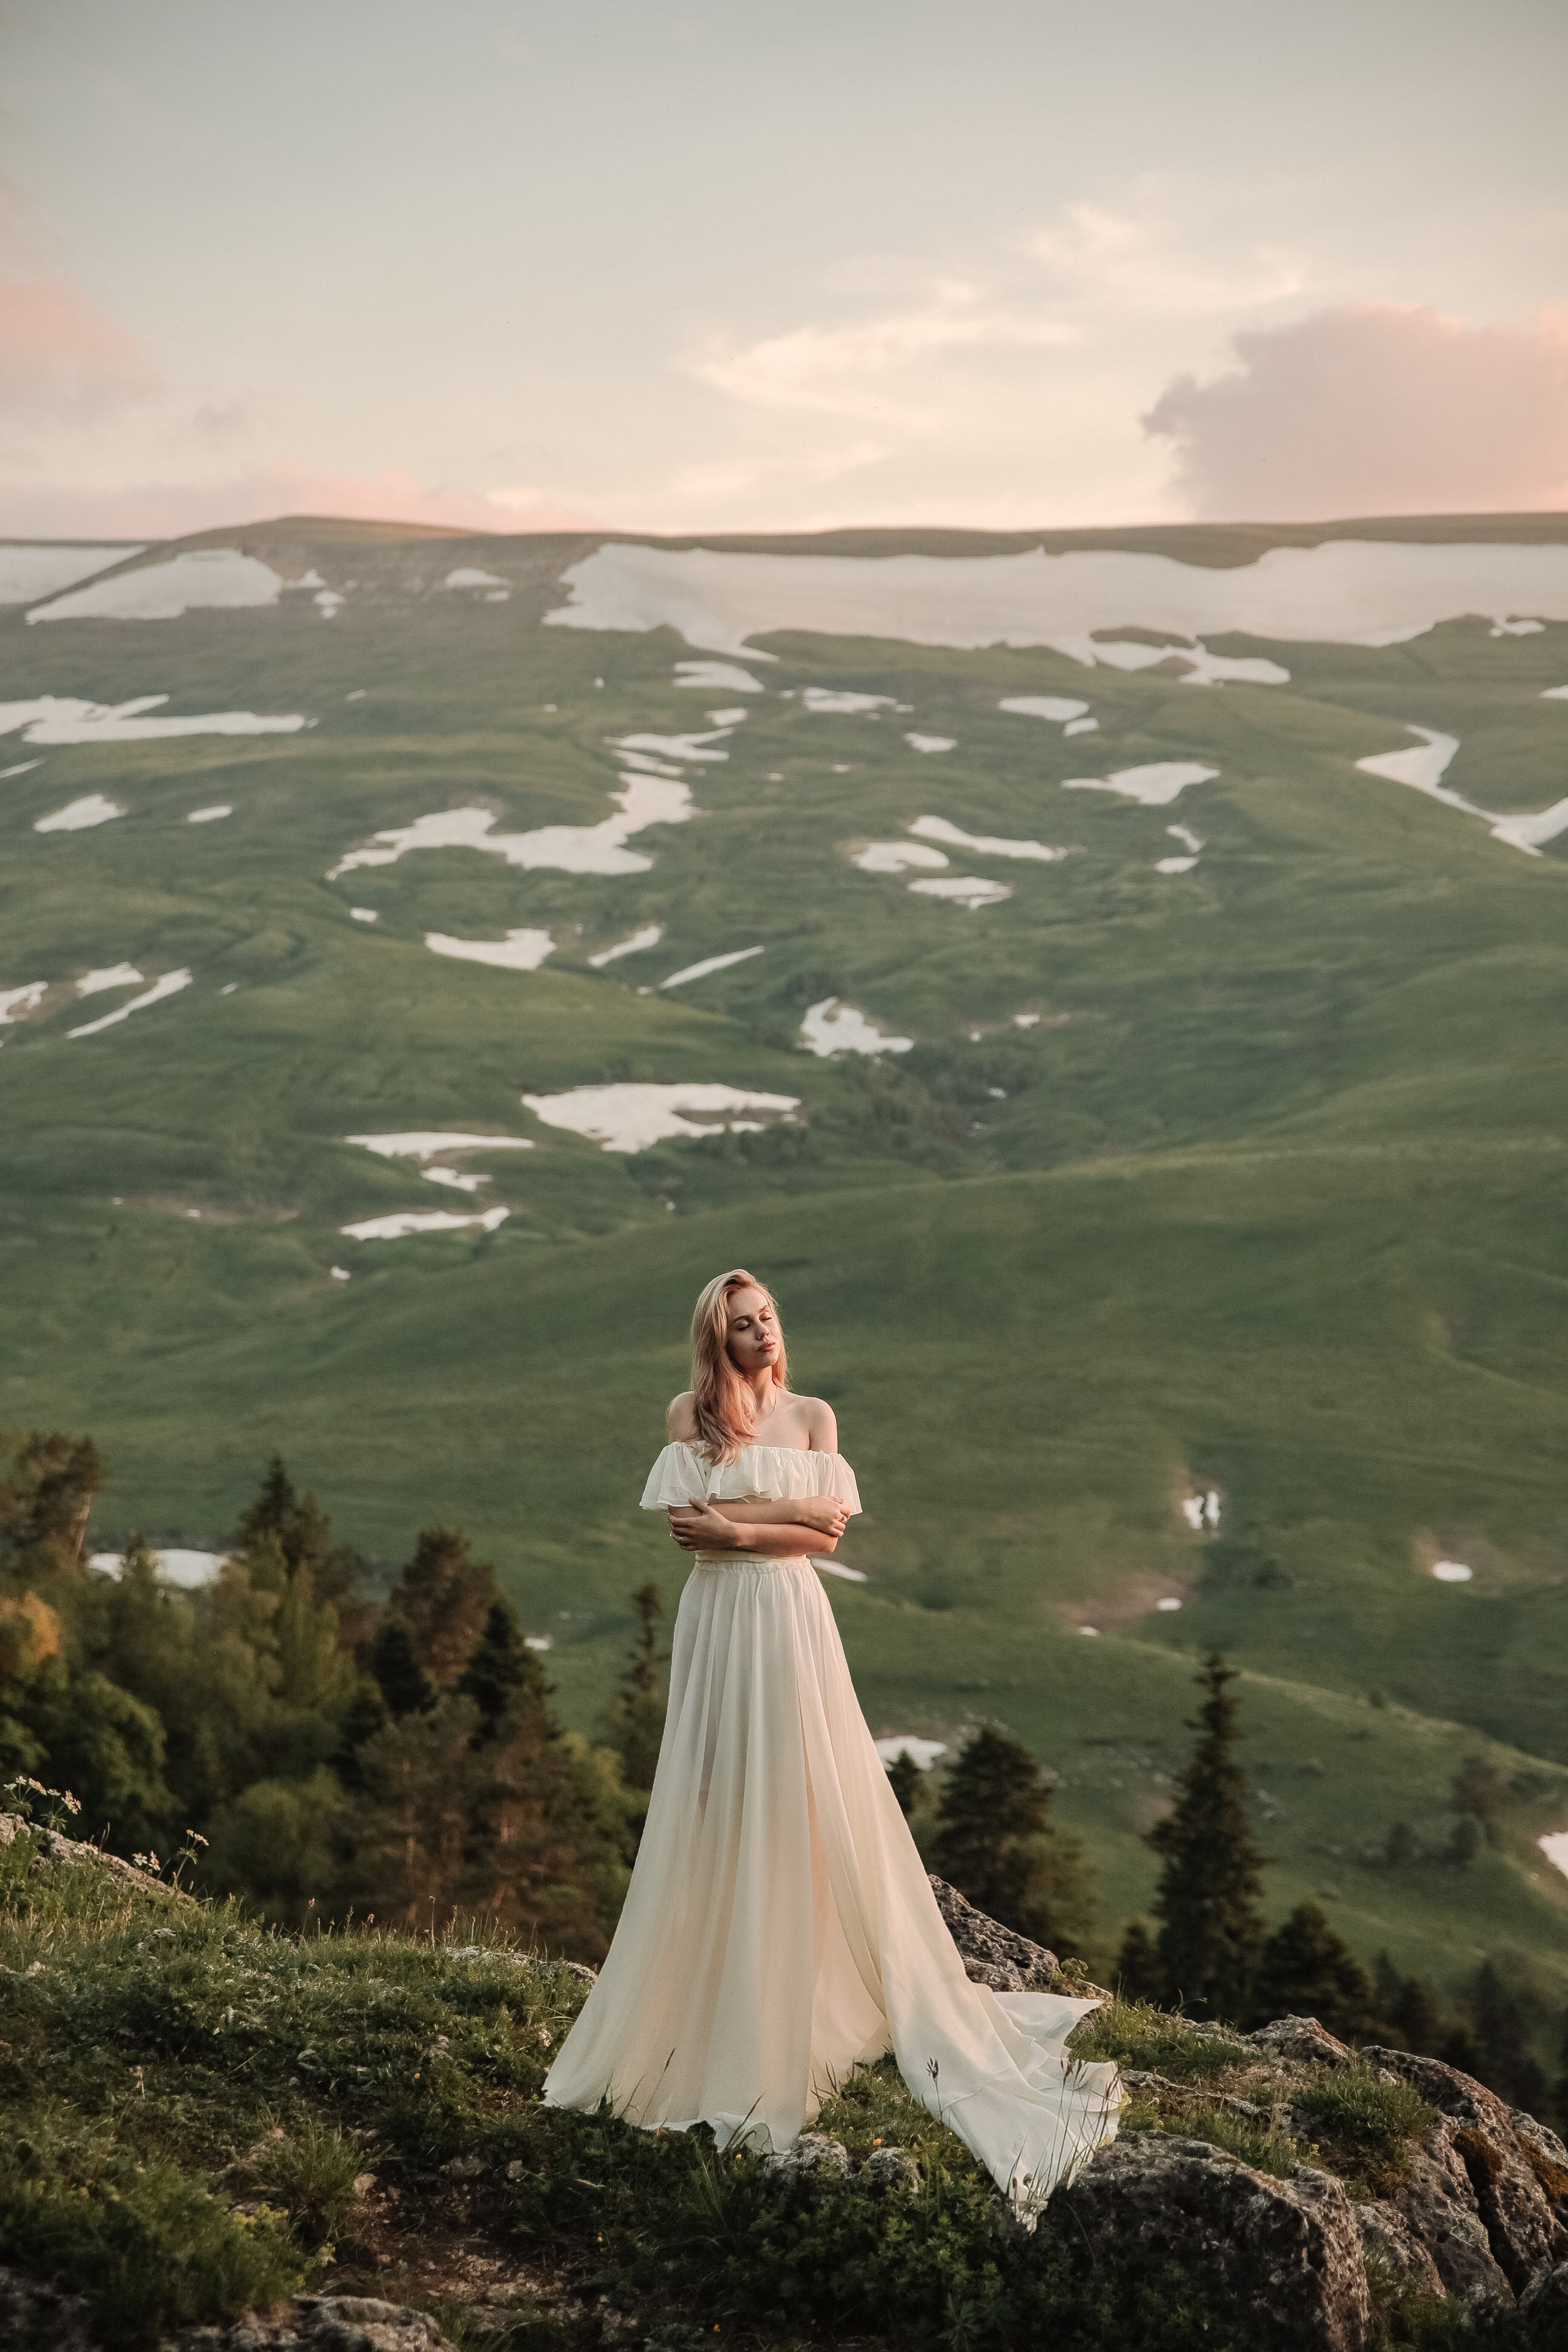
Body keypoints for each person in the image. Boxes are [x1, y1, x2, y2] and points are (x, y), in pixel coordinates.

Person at [543, 1268, 1120, 2219]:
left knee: (813, 1789)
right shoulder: (689, 1414)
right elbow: (694, 1537)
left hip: (793, 1622)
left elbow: (831, 1535)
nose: (762, 1333)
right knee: (721, 1795)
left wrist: (746, 1523)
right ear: (714, 1339)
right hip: (720, 1624)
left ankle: (811, 1982)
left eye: (767, 1317)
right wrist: (763, 1524)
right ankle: (723, 1995)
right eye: (741, 1325)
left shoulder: (814, 1416)